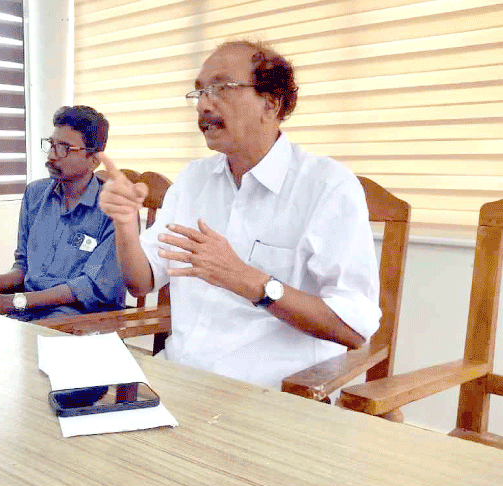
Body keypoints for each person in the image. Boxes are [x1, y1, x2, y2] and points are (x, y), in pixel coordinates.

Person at [98, 40, 381, 388]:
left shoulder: (328, 187)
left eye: (220, 88)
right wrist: (125, 224)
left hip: (273, 400)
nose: (203, 104)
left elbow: (353, 329)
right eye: (198, 92)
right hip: (179, 383)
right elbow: (141, 281)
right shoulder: (192, 180)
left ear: (271, 103)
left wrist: (248, 280)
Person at [0, 105, 126, 321]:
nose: (52, 155)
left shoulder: (114, 210)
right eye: (51, 144)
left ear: (94, 159)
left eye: (64, 148)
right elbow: (24, 267)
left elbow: (89, 287)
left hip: (82, 319)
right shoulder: (35, 194)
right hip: (28, 310)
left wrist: (11, 301)